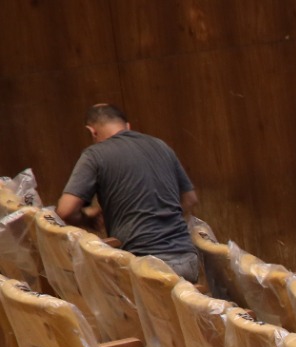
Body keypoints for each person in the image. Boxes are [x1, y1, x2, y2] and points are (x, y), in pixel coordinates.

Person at [54, 103, 201, 281]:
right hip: (186, 259)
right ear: (128, 126)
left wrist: (88, 219)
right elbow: (190, 199)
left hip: (143, 265)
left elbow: (65, 210)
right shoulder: (161, 145)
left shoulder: (94, 155)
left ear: (91, 131)